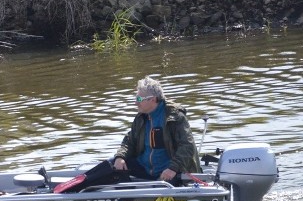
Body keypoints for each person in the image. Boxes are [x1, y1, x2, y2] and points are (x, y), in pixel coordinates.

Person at [56, 76, 201, 192]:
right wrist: (121, 157)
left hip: (168, 172)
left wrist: (172, 168)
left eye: (139, 99)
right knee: (111, 164)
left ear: (152, 99)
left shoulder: (175, 117)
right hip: (144, 168)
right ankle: (72, 188)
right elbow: (129, 141)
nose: (135, 103)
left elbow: (187, 146)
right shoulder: (141, 117)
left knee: (162, 188)